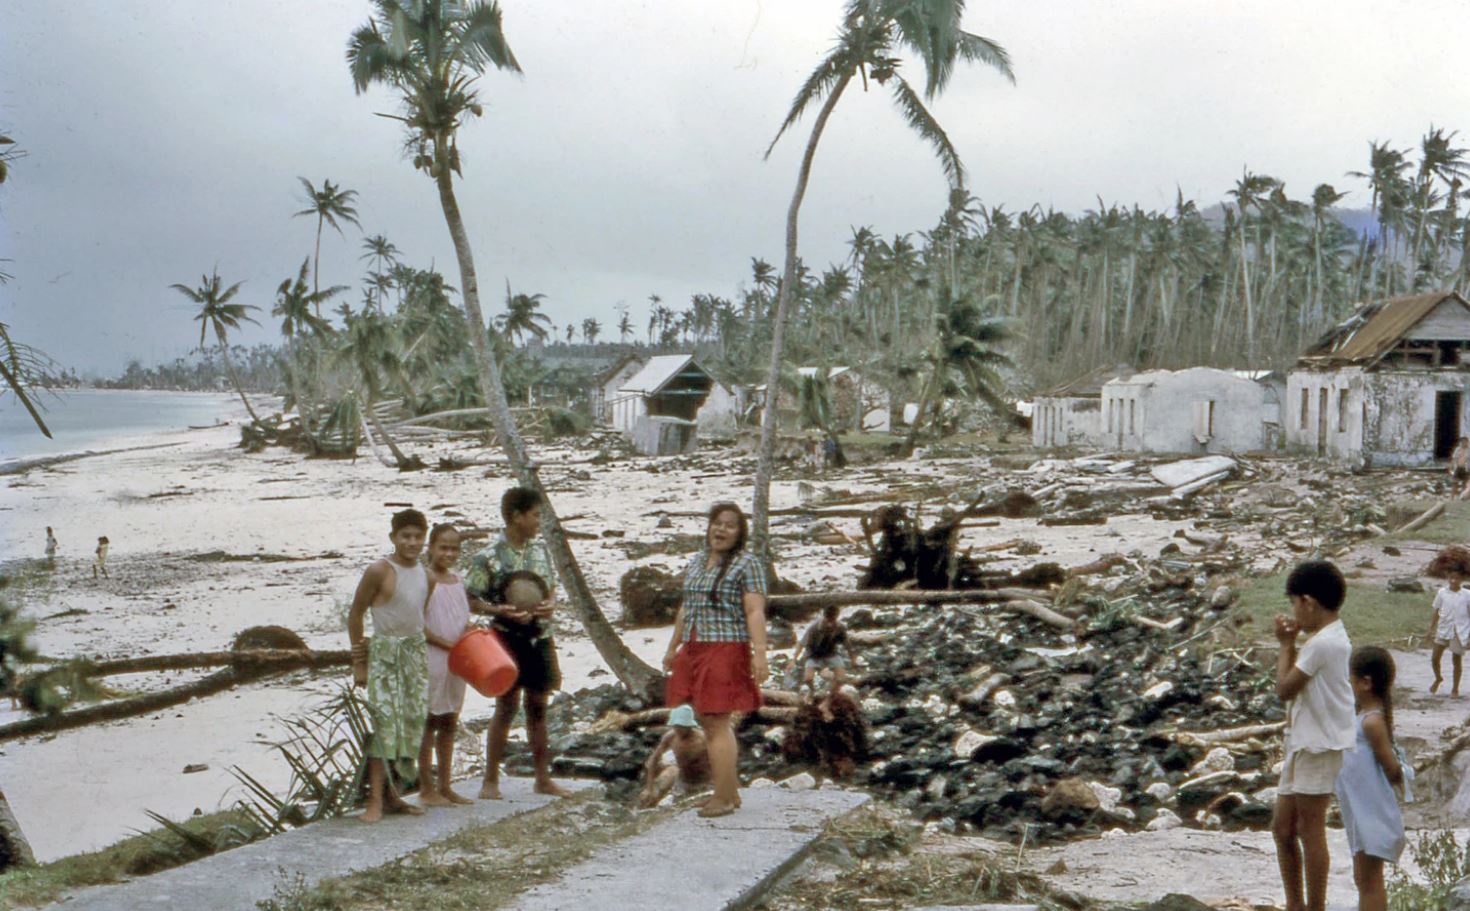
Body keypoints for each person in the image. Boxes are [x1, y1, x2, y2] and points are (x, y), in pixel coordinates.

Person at [662, 502, 769, 818]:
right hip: (695, 645)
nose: (721, 530)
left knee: (716, 721)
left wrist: (760, 654)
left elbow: (754, 610)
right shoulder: (697, 560)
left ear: (740, 533)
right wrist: (673, 646)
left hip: (725, 646)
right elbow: (687, 607)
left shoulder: (747, 564)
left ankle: (723, 797)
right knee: (708, 721)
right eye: (717, 523)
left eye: (730, 525)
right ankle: (729, 791)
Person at [464, 486, 568, 800]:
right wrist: (498, 610)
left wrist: (550, 603)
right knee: (506, 707)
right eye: (536, 515)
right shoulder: (489, 556)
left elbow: (549, 588)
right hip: (506, 639)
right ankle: (490, 781)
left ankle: (543, 778)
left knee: (538, 706)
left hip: (540, 636)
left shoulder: (540, 551)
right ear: (516, 516)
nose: (539, 521)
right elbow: (469, 597)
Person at [1272, 559, 1354, 911]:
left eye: (1294, 603)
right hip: (1304, 741)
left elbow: (1284, 689)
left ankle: (1314, 906)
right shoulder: (1327, 638)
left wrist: (1284, 644)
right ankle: (1296, 904)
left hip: (1320, 743)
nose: (1294, 612)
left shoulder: (1323, 644)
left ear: (1308, 602)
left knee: (1310, 829)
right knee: (1283, 828)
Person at [347, 508, 431, 823]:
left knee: (410, 725)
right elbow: (355, 614)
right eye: (405, 536)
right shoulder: (379, 571)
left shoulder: (426, 573)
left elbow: (418, 618)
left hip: (415, 654)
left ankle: (395, 796)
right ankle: (374, 801)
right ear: (393, 538)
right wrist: (360, 664)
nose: (411, 542)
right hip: (384, 654)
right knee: (383, 726)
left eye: (417, 537)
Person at [1336, 647, 1406, 911]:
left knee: (1369, 880)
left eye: (1350, 679)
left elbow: (1391, 767)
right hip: (1360, 811)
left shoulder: (1372, 722)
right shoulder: (1364, 718)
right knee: (1363, 878)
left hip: (1371, 812)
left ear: (1365, 683)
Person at [417, 523, 474, 807]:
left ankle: (446, 785)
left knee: (450, 718)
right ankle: (426, 788)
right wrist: (446, 644)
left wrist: (469, 636)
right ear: (430, 548)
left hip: (457, 658)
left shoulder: (457, 581)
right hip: (434, 657)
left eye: (455, 548)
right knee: (429, 721)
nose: (449, 553)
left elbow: (461, 618)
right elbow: (418, 624)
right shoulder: (424, 579)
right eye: (443, 547)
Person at [636, 704, 711, 809]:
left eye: (681, 727)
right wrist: (649, 788)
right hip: (683, 782)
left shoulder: (703, 739)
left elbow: (721, 762)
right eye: (676, 726)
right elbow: (653, 760)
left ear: (689, 726)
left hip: (704, 783)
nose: (678, 729)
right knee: (656, 803)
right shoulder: (671, 737)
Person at [792, 604, 859, 692]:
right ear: (824, 617)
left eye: (832, 620)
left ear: (836, 617)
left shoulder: (840, 627)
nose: (830, 624)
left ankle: (831, 695)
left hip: (831, 653)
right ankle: (812, 692)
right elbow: (801, 644)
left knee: (841, 679)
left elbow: (848, 645)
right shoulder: (814, 627)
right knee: (808, 679)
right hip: (813, 654)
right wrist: (794, 659)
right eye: (828, 620)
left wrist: (853, 659)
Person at [1427, 568, 1470, 696]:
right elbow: (1436, 611)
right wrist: (1430, 628)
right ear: (1448, 578)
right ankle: (1438, 678)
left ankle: (1455, 688)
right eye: (1451, 578)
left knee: (1456, 660)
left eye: (1456, 578)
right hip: (1443, 629)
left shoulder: (1467, 595)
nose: (1453, 581)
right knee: (1435, 658)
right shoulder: (1442, 593)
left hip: (1459, 630)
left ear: (1461, 580)